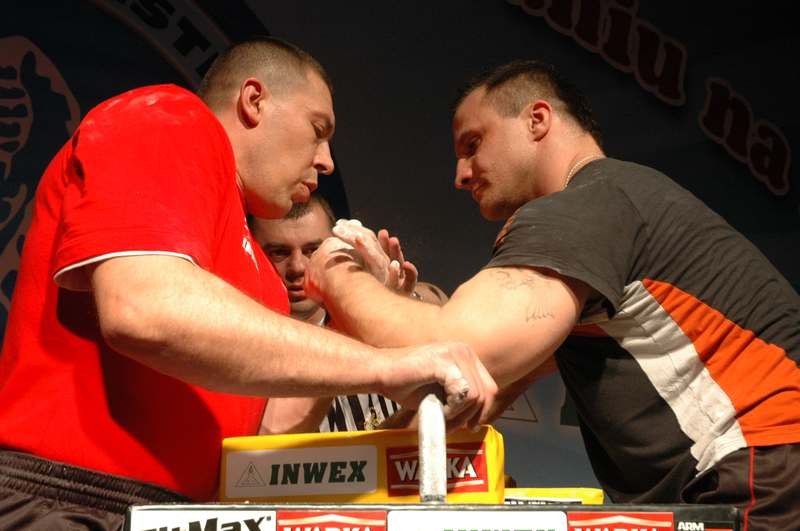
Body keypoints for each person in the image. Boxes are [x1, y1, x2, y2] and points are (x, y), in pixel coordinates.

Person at [0, 37, 496, 530]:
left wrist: (346, 318)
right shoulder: (167, 118)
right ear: (254, 101)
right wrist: (387, 366)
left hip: (180, 512)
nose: (326, 160)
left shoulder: (260, 275)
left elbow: (264, 436)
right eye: (317, 130)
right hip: (67, 497)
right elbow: (143, 310)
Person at [305, 60, 800, 530]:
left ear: (537, 121)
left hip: (761, 470)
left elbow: (453, 350)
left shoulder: (584, 208)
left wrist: (336, 272)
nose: (460, 174)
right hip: (757, 471)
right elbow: (471, 392)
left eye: (473, 144)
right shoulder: (615, 207)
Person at [250, 194, 449, 433]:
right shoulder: (250, 348)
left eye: (313, 250)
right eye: (279, 252)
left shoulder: (379, 315)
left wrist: (392, 300)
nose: (298, 267)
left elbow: (440, 304)